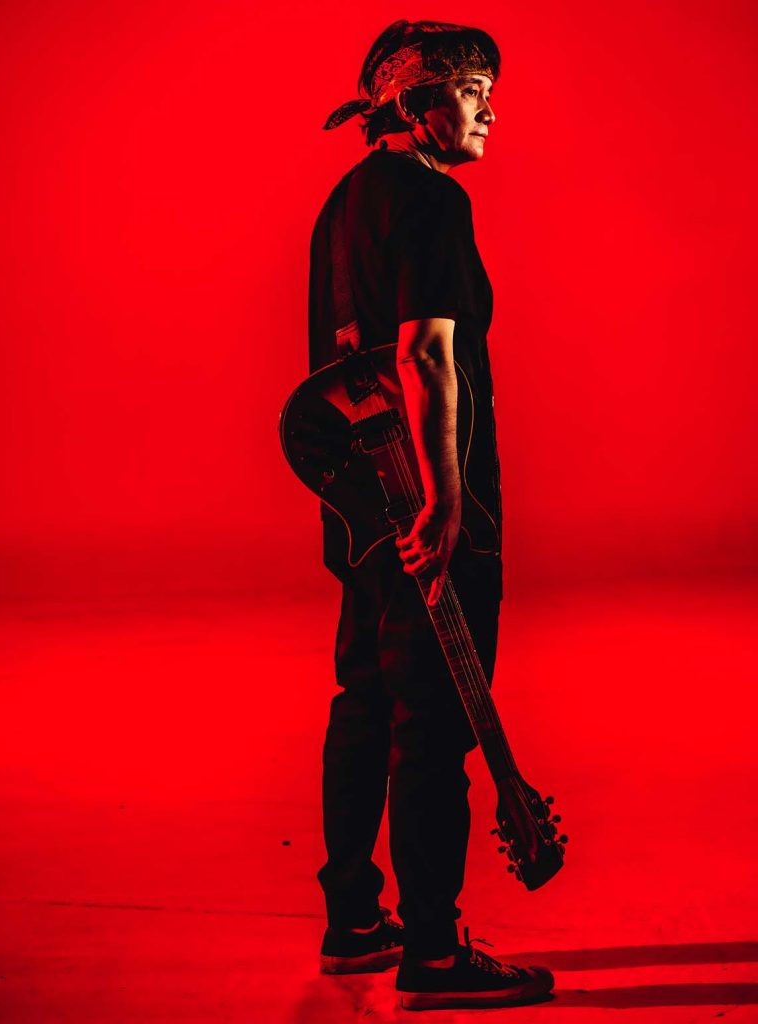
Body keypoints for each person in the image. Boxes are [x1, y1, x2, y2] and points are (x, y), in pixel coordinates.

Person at [307, 20, 554, 1010]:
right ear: (415, 107)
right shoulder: (431, 200)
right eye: (471, 90)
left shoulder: (344, 203)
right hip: (427, 505)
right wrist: (450, 499)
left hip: (362, 508)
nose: (489, 109)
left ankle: (352, 924)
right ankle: (435, 954)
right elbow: (422, 352)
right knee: (434, 719)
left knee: (365, 697)